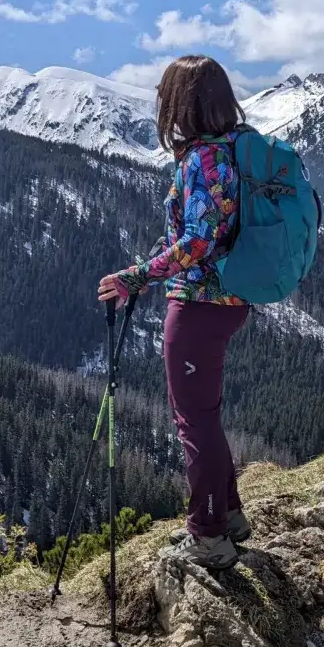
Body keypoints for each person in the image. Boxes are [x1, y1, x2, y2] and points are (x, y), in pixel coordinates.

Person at [97, 54, 250, 571]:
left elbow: (197, 242)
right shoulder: (231, 152)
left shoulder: (201, 160)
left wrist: (135, 276)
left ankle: (208, 537)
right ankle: (227, 514)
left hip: (198, 307)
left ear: (182, 102)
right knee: (204, 416)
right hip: (227, 302)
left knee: (193, 422)